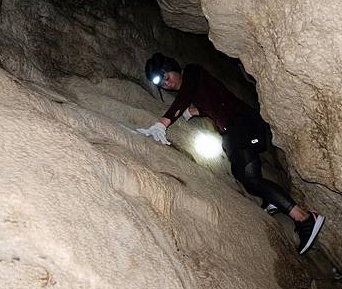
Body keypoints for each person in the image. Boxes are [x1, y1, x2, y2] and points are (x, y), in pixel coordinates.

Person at [137, 53, 325, 255]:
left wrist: (162, 124)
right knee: (240, 172)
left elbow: (184, 97)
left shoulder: (192, 71)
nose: (167, 84)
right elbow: (214, 100)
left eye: (166, 77)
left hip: (242, 123)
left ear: (173, 67)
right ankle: (272, 199)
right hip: (234, 129)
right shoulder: (194, 90)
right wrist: (196, 110)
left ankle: (304, 217)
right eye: (162, 84)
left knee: (250, 177)